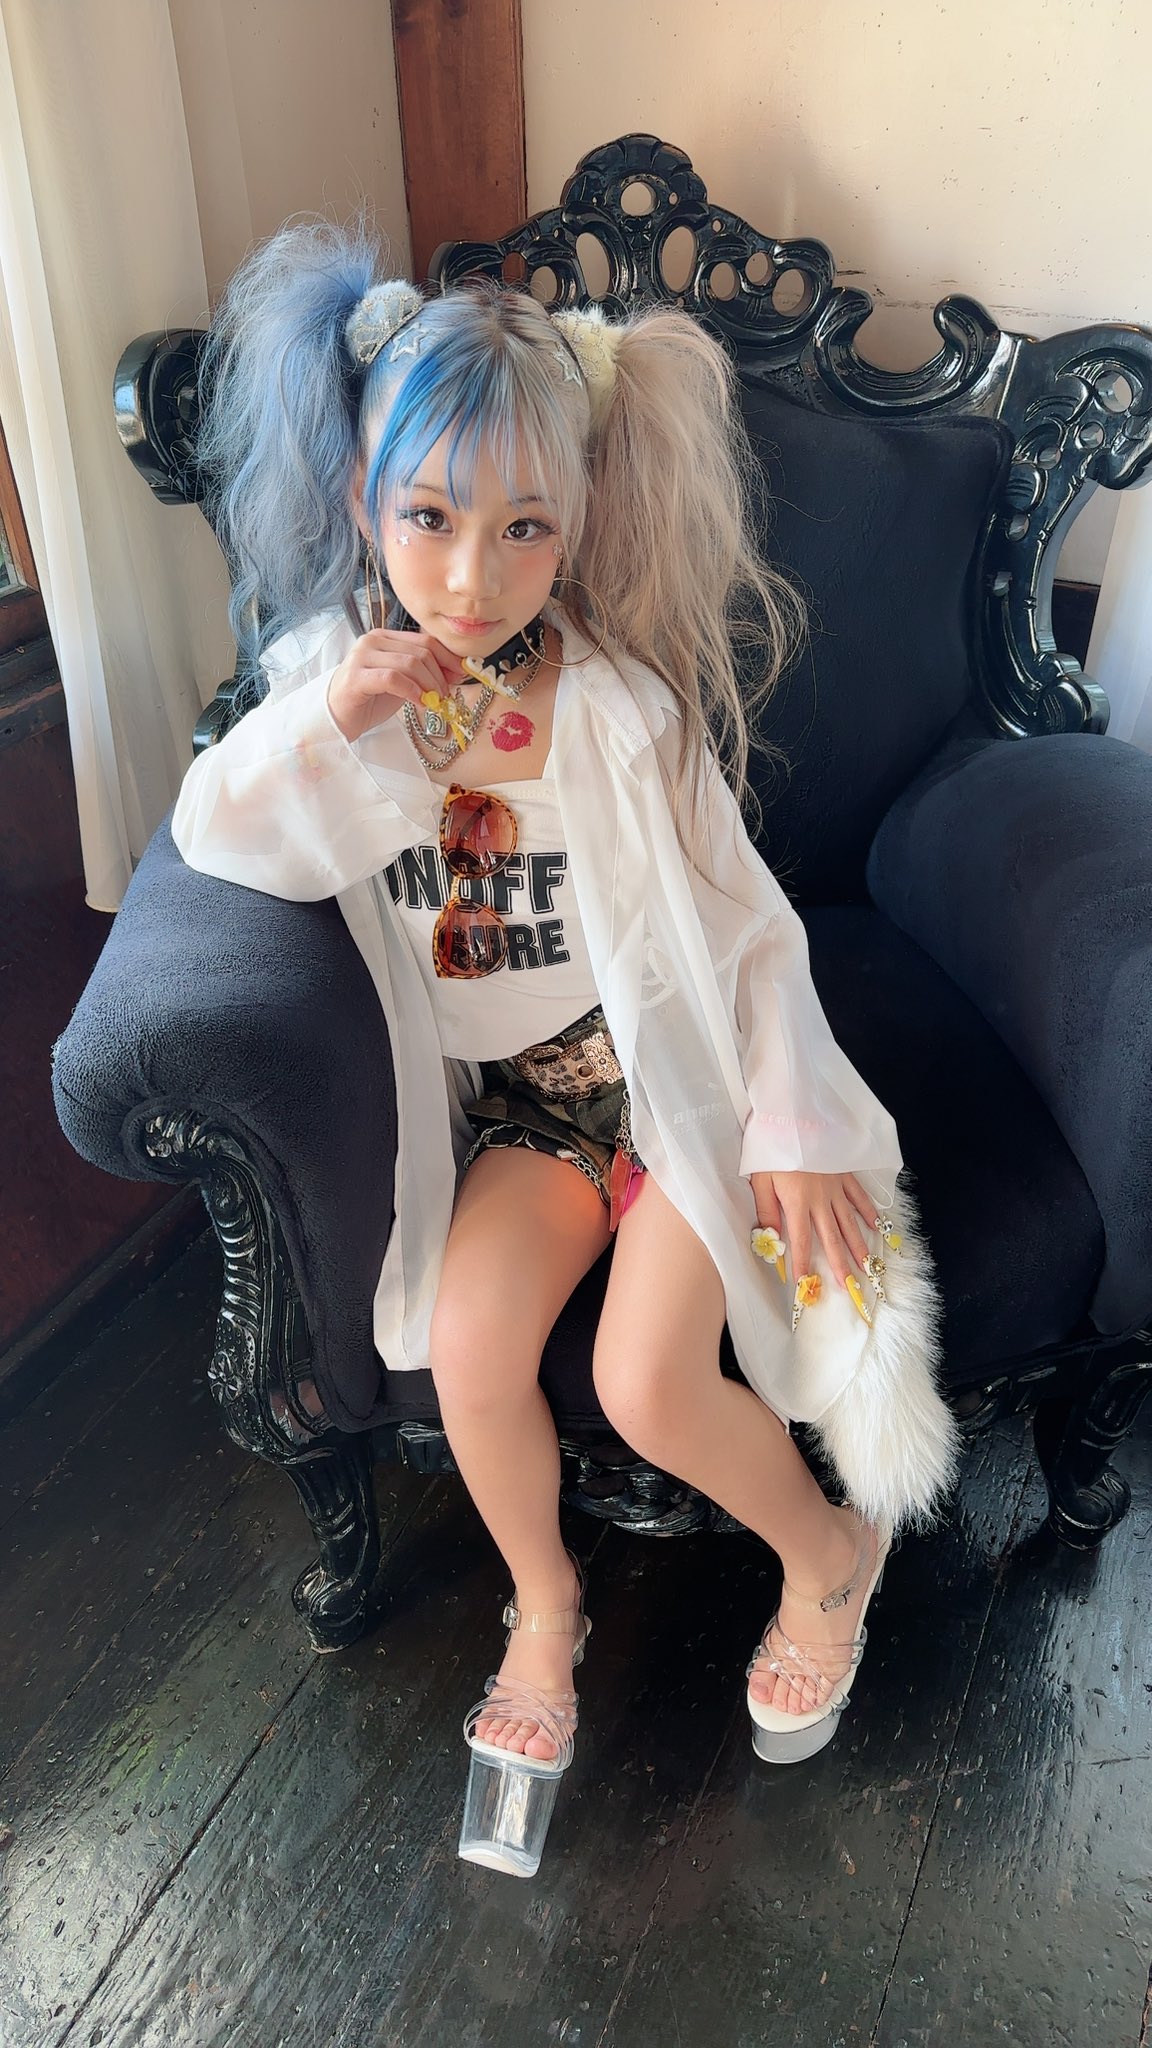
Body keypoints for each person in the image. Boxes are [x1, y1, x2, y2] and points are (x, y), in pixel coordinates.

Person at [172, 217, 961, 1878]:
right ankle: (545, 1602)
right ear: (364, 504)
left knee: (645, 1380)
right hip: (526, 1116)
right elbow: (219, 833)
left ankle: (831, 1552)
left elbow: (746, 931)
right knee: (470, 1341)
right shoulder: (335, 680)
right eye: (430, 519)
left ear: (581, 520)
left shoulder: (620, 709)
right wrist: (335, 718)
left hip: (667, 1090)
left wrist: (792, 1122)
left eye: (525, 527)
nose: (471, 578)